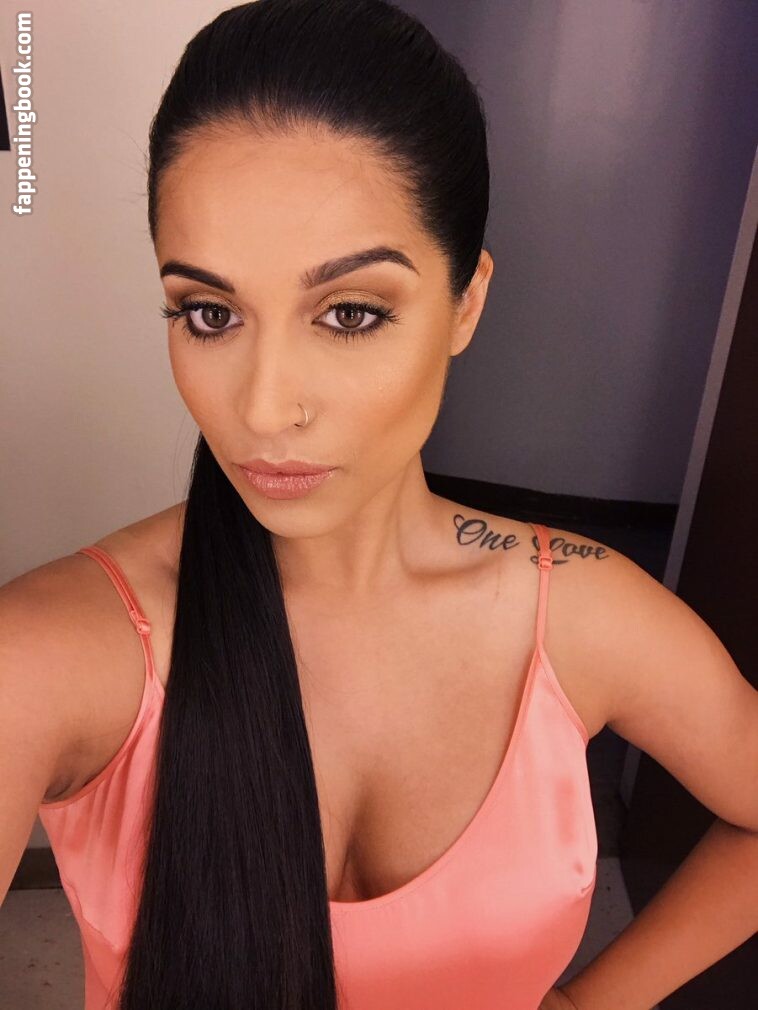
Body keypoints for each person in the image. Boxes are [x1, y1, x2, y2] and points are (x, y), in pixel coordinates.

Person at [2, 2, 757, 1009]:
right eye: (210, 313)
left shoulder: (586, 616)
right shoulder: (49, 658)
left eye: (350, 312)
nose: (263, 407)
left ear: (465, 303)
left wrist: (591, 1002)